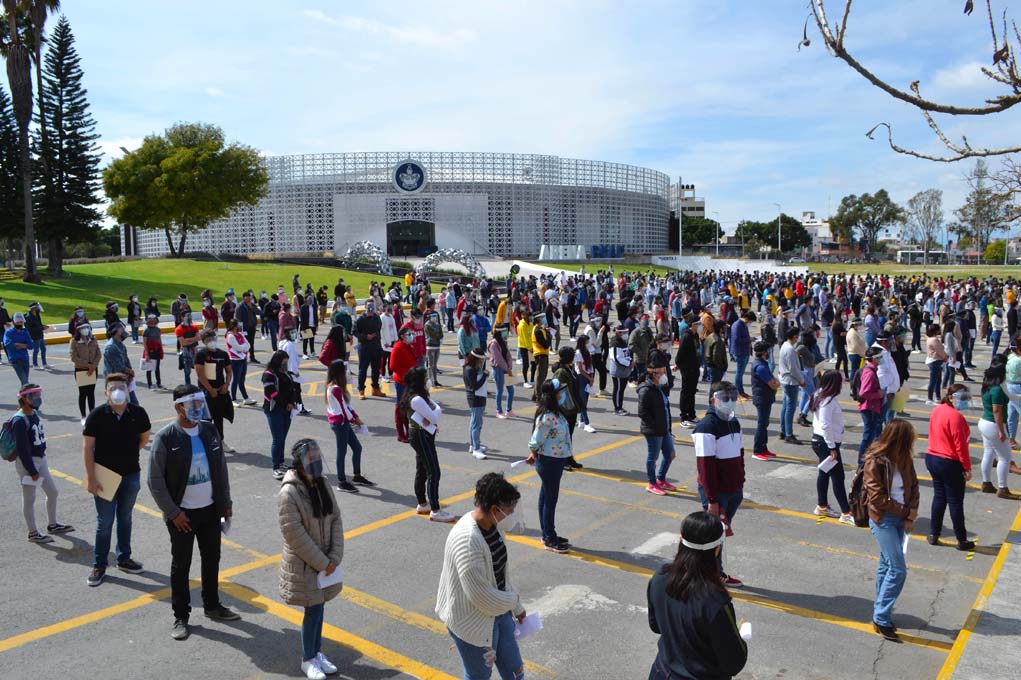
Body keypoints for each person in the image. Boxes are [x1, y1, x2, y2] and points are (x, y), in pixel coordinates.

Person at [148, 384, 240, 640]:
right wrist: (173, 512)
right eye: (193, 405)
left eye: (200, 403)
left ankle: (212, 605)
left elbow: (221, 470)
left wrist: (226, 504)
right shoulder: (165, 438)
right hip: (182, 516)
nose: (198, 408)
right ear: (178, 407)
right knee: (181, 565)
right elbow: (155, 481)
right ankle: (181, 616)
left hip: (211, 511)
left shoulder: (210, 431)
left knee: (212, 559)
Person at [436, 473, 527, 680]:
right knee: (479, 676)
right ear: (494, 509)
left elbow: (500, 574)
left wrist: (517, 607)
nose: (511, 515)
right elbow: (482, 597)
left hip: (499, 612)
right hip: (472, 621)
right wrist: (513, 600)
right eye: (509, 511)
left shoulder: (492, 526)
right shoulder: (468, 541)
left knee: (516, 671)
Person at [646, 511, 748, 680]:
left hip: (661, 673)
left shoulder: (660, 577)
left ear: (680, 539)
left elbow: (656, 625)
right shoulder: (715, 601)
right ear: (716, 550)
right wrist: (737, 634)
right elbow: (734, 662)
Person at [277, 438, 344, 680]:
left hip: (326, 562)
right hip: (306, 565)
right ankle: (308, 658)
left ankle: (316, 653)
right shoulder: (289, 493)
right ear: (299, 463)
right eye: (310, 459)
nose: (315, 462)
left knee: (319, 607)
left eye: (317, 457)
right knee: (312, 610)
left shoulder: (322, 483)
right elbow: (295, 536)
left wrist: (335, 555)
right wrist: (323, 562)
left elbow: (335, 518)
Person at [83, 373, 152, 587]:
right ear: (106, 392)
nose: (118, 391)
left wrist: (127, 453)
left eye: (121, 386)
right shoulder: (97, 415)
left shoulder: (138, 413)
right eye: (113, 388)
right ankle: (100, 564)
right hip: (105, 476)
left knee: (125, 517)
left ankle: (124, 558)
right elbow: (88, 448)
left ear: (128, 389)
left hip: (131, 474)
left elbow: (144, 438)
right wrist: (91, 478)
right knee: (104, 522)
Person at [862, 419, 920, 642]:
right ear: (899, 439)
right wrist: (905, 512)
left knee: (887, 564)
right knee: (898, 569)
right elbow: (876, 497)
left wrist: (911, 513)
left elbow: (913, 486)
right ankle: (882, 617)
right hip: (883, 519)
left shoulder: (904, 458)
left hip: (900, 517)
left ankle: (881, 608)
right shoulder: (875, 462)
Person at [692, 381, 745, 588]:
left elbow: (739, 454)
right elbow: (705, 467)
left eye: (733, 397)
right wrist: (712, 500)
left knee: (718, 536)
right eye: (725, 398)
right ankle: (712, 574)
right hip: (717, 493)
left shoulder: (734, 422)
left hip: (734, 489)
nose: (730, 402)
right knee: (712, 537)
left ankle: (710, 572)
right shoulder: (707, 427)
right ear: (713, 400)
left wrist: (741, 480)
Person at [10, 384, 73, 543]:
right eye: (33, 396)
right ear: (23, 399)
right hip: (29, 464)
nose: (37, 398)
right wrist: (32, 470)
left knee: (52, 492)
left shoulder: (34, 414)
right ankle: (33, 533)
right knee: (29, 498)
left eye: (38, 394)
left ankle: (52, 525)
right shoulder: (19, 420)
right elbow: (22, 449)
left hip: (41, 460)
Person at [400, 367, 456, 522]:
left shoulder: (419, 396)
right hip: (420, 435)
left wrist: (432, 415)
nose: (428, 380)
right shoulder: (417, 399)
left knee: (422, 469)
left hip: (423, 434)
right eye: (425, 378)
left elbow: (434, 413)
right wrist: (434, 414)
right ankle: (436, 510)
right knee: (434, 471)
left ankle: (422, 503)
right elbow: (436, 414)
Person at [926, 383, 976, 549]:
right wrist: (967, 468)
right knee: (955, 501)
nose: (964, 402)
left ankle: (934, 533)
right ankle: (962, 539)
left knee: (939, 496)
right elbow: (960, 446)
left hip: (933, 457)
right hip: (949, 462)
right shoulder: (956, 417)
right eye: (961, 399)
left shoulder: (937, 410)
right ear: (951, 398)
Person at [526, 380, 572, 553]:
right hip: (549, 461)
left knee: (546, 496)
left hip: (556, 459)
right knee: (550, 499)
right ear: (553, 395)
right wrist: (534, 453)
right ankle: (549, 538)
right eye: (560, 392)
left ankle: (547, 533)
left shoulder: (555, 412)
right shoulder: (546, 417)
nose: (562, 394)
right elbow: (535, 441)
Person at [810, 370, 854, 524]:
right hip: (826, 443)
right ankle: (846, 512)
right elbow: (825, 424)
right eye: (840, 381)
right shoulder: (827, 401)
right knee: (838, 477)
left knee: (824, 473)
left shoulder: (820, 394)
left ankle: (822, 506)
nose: (842, 384)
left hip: (821, 441)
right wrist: (832, 447)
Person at [326, 359, 373, 493]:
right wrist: (354, 420)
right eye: (344, 370)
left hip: (343, 422)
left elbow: (346, 405)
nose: (347, 372)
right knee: (342, 452)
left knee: (357, 448)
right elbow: (343, 409)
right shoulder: (335, 388)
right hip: (340, 423)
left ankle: (357, 476)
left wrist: (355, 417)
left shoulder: (337, 387)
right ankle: (341, 481)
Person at [638, 351, 678, 496]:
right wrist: (655, 427)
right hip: (654, 431)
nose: (664, 375)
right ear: (654, 373)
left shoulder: (660, 388)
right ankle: (652, 483)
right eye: (661, 372)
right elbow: (642, 413)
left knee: (670, 454)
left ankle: (661, 479)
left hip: (664, 429)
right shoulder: (646, 390)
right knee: (652, 457)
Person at [978, 364, 1019, 499]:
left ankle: (986, 483)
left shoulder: (987, 386)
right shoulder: (997, 390)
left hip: (984, 422)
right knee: (1005, 458)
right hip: (994, 425)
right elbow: (997, 411)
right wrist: (1002, 431)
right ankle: (1003, 488)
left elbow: (1010, 397)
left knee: (988, 453)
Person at [263, 350, 298, 479]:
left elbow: (292, 389)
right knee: (277, 439)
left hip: (286, 409)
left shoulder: (286, 373)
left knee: (282, 437)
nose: (286, 364)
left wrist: (292, 402)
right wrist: (285, 404)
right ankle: (275, 467)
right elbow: (271, 393)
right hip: (274, 410)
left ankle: (281, 462)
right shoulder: (269, 375)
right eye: (284, 361)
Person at [856, 347, 885, 466]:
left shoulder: (872, 370)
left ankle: (866, 459)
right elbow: (864, 392)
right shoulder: (869, 372)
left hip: (872, 407)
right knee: (868, 435)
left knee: (871, 434)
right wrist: (879, 394)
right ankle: (861, 463)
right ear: (874, 359)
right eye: (879, 358)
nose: (881, 360)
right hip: (869, 407)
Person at [389, 324, 418, 442]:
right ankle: (401, 434)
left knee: (408, 408)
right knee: (401, 408)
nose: (411, 336)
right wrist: (407, 374)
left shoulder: (407, 346)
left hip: (410, 381)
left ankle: (409, 431)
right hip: (402, 382)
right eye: (408, 334)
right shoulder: (398, 347)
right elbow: (392, 366)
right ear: (402, 336)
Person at [777, 327, 804, 444]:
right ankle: (788, 433)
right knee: (790, 408)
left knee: (785, 406)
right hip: (790, 381)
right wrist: (801, 380)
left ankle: (784, 431)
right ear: (794, 337)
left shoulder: (785, 346)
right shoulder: (790, 350)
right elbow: (793, 369)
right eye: (797, 336)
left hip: (784, 379)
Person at [70, 323, 101, 425]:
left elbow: (98, 354)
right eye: (83, 328)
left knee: (91, 393)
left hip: (93, 370)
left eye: (87, 327)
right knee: (83, 393)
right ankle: (83, 415)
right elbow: (74, 357)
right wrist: (88, 366)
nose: (86, 330)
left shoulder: (93, 339)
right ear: (78, 330)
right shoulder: (74, 341)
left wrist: (94, 365)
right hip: (81, 370)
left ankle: (92, 414)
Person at [354, 302, 385, 399]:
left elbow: (379, 328)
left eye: (372, 308)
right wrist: (365, 336)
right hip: (364, 347)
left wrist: (374, 335)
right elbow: (355, 331)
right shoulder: (360, 319)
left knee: (376, 369)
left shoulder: (376, 318)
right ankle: (361, 390)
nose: (371, 311)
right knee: (363, 369)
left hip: (376, 346)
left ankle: (375, 388)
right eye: (369, 309)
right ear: (365, 308)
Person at [464, 347, 490, 460]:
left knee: (474, 422)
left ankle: (473, 444)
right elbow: (475, 386)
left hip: (479, 397)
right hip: (475, 399)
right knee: (476, 424)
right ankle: (476, 448)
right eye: (481, 360)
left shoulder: (471, 368)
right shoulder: (470, 370)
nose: (482, 362)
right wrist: (484, 375)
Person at [103, 323, 138, 405]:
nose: (124, 331)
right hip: (115, 381)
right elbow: (119, 367)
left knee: (130, 405)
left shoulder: (120, 345)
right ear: (116, 332)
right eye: (121, 329)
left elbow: (126, 361)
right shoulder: (111, 347)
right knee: (121, 404)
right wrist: (131, 372)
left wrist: (130, 375)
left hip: (124, 379)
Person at [675, 317, 700, 427]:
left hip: (695, 368)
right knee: (686, 392)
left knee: (692, 392)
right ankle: (684, 417)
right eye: (697, 323)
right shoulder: (686, 336)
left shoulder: (695, 335)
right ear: (692, 325)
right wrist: (679, 365)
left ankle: (692, 414)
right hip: (687, 368)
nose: (699, 325)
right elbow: (680, 354)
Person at [226, 319, 255, 406]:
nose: (239, 326)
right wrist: (244, 347)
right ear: (234, 326)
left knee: (242, 380)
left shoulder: (239, 334)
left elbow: (248, 344)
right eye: (237, 325)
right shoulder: (230, 336)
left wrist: (244, 347)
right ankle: (233, 399)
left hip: (243, 358)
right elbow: (237, 347)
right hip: (235, 360)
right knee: (235, 379)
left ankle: (245, 398)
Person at [489, 328, 516, 419]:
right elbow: (498, 358)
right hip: (498, 369)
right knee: (500, 390)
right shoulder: (493, 344)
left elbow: (508, 355)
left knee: (511, 390)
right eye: (504, 331)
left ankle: (509, 410)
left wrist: (509, 366)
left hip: (506, 368)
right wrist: (506, 368)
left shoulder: (504, 341)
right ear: (499, 332)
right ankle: (499, 411)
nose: (506, 333)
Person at [609, 324, 634, 416]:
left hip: (624, 371)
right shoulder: (615, 342)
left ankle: (620, 407)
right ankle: (617, 408)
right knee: (618, 390)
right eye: (624, 332)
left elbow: (626, 354)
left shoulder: (623, 341)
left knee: (621, 390)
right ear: (619, 333)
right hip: (618, 371)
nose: (626, 334)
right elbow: (617, 358)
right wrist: (629, 363)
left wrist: (630, 361)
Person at [4, 312, 32, 384]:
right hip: (15, 359)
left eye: (21, 322)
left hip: (25, 358)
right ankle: (24, 394)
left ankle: (22, 394)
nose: (20, 323)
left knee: (25, 381)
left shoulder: (25, 332)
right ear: (13, 322)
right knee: (25, 381)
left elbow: (30, 345)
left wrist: (19, 345)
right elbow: (9, 345)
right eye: (18, 322)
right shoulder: (8, 332)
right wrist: (24, 345)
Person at [925, 323, 948, 405]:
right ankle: (930, 398)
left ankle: (938, 397)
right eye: (939, 329)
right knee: (933, 381)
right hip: (935, 361)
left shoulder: (930, 338)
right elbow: (940, 351)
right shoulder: (934, 340)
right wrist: (945, 357)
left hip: (934, 360)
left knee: (938, 380)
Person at [175, 313, 200, 386]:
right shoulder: (179, 329)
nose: (189, 318)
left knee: (199, 369)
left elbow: (198, 337)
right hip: (186, 351)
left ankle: (200, 385)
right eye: (187, 316)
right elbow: (183, 342)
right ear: (182, 317)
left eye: (190, 316)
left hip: (194, 350)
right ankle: (188, 386)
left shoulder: (194, 326)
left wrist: (187, 339)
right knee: (187, 371)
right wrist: (193, 339)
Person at [142, 314, 165, 391]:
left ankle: (159, 383)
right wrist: (147, 354)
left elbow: (159, 340)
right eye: (150, 320)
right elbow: (145, 343)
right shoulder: (146, 331)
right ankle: (150, 384)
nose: (152, 322)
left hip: (157, 350)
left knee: (157, 368)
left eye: (154, 320)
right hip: (150, 350)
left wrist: (161, 349)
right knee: (149, 368)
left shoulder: (158, 329)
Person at [531, 315, 552, 397]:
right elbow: (546, 345)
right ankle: (538, 396)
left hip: (543, 354)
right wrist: (549, 335)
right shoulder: (537, 331)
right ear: (538, 320)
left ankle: (535, 394)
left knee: (543, 375)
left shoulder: (541, 329)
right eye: (542, 319)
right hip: (540, 355)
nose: (544, 320)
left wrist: (546, 331)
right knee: (541, 377)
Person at [25, 302, 48, 370]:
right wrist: (41, 328)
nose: (38, 308)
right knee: (36, 350)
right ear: (33, 308)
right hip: (35, 336)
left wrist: (43, 326)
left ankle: (44, 363)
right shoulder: (28, 316)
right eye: (37, 307)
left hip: (40, 334)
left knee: (43, 349)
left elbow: (39, 324)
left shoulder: (37, 314)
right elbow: (30, 328)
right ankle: (35, 364)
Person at [425, 308, 444, 387]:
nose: (435, 318)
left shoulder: (437, 324)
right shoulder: (427, 325)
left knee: (435, 365)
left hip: (437, 345)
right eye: (433, 316)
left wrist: (438, 336)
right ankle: (430, 380)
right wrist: (437, 336)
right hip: (430, 345)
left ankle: (435, 380)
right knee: (430, 364)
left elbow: (441, 334)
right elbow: (431, 335)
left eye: (435, 316)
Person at [516, 312, 534, 388]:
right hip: (524, 347)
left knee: (534, 363)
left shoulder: (530, 324)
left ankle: (532, 380)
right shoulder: (522, 326)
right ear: (525, 317)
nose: (531, 318)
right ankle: (525, 381)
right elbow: (525, 338)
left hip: (531, 347)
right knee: (526, 364)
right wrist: (530, 349)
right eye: (529, 316)